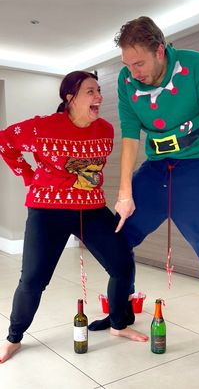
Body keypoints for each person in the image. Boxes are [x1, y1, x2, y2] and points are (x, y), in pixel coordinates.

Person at [88, 16, 199, 359]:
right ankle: (120, 313)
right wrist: (124, 192)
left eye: (139, 63)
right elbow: (129, 137)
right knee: (117, 239)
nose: (133, 71)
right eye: (127, 64)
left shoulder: (196, 67)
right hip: (154, 171)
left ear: (160, 49)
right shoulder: (127, 81)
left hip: (195, 170)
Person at [0, 70, 148, 363]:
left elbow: (91, 172)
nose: (98, 97)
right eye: (90, 92)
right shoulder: (42, 128)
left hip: (91, 209)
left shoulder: (105, 130)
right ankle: (14, 337)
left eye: (98, 91)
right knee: (33, 279)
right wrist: (28, 174)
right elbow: (5, 142)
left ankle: (118, 324)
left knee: (122, 264)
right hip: (47, 210)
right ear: (70, 98)